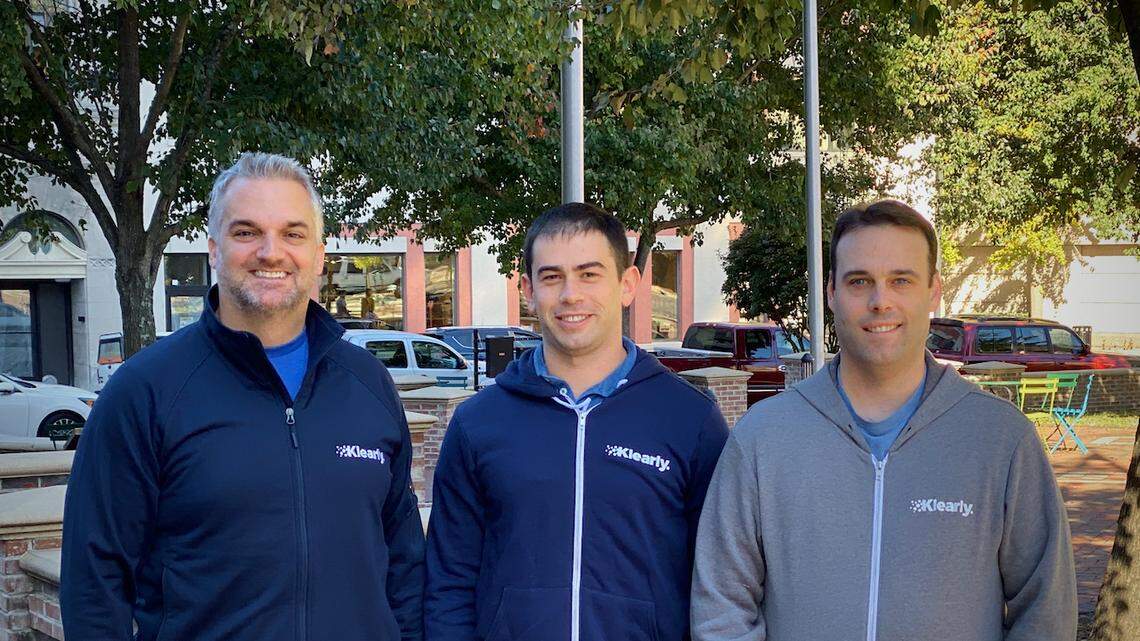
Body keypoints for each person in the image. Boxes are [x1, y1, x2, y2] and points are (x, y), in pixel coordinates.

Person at [61, 152, 424, 641]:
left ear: (319, 255)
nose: (271, 252)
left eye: (293, 234)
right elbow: (94, 579)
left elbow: (404, 561)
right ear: (214, 249)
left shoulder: (368, 384)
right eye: (247, 232)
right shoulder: (145, 391)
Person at [691, 199, 1076, 640]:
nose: (880, 301)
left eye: (901, 281)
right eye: (860, 281)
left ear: (933, 290)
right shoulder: (765, 437)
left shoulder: (1000, 440)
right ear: (831, 292)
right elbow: (721, 607)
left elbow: (1046, 611)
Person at [425, 203, 729, 641]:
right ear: (528, 290)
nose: (570, 295)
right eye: (552, 277)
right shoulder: (479, 423)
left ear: (628, 284)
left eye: (589, 274)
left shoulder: (690, 420)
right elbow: (449, 583)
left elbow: (720, 586)